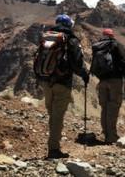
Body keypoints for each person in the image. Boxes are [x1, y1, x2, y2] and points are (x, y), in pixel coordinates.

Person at [35, 14, 89, 159]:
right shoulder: (70, 39)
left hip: (45, 81)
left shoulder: (46, 37)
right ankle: (53, 150)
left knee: (52, 114)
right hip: (62, 82)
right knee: (58, 116)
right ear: (69, 25)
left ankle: (52, 144)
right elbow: (77, 63)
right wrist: (84, 75)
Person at [91, 28, 125, 144]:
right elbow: (124, 62)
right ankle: (112, 136)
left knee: (105, 108)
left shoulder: (98, 46)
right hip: (115, 81)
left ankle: (106, 133)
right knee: (113, 107)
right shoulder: (116, 45)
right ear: (112, 35)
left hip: (102, 81)